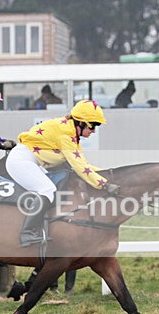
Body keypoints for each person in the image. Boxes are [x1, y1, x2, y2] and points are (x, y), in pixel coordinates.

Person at [8, 99, 119, 244]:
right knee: (47, 189)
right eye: (93, 125)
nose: (94, 130)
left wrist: (107, 174)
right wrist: (103, 184)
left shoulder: (71, 132)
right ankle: (27, 233)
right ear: (81, 122)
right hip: (21, 161)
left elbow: (83, 164)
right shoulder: (66, 135)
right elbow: (80, 167)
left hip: (31, 160)